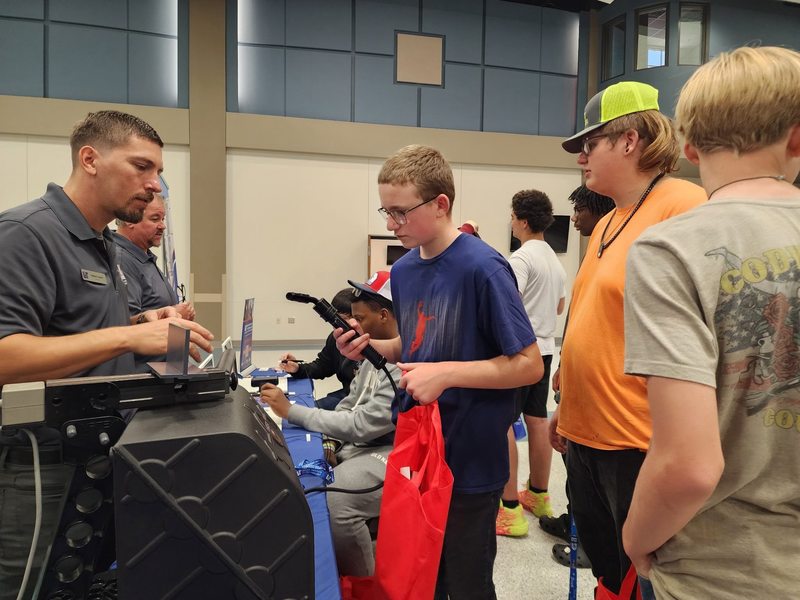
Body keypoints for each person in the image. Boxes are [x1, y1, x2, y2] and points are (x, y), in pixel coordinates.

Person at [0, 110, 213, 599]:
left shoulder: (105, 246)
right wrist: (127, 338)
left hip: (98, 458)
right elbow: (6, 355)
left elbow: (76, 332)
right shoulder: (26, 234)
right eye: (141, 167)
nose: (153, 184)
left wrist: (142, 323)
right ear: (90, 159)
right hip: (41, 468)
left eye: (157, 172)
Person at [622, 46, 800, 600]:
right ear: (797, 138)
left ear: (690, 147)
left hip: (723, 570)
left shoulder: (671, 249)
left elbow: (690, 465)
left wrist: (635, 537)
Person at [336, 144, 543, 599]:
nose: (391, 224)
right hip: (419, 451)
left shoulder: (484, 267)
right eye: (385, 212)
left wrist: (446, 374)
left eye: (400, 212)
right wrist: (370, 347)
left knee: (467, 583)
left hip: (469, 459)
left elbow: (528, 365)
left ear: (441, 204)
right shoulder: (405, 270)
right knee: (424, 578)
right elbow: (415, 346)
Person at [550, 81, 706, 596]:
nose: (581, 160)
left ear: (629, 140)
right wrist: (567, 403)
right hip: (587, 434)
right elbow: (595, 318)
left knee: (646, 576)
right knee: (609, 571)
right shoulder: (608, 222)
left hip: (638, 442)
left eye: (588, 145)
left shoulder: (683, 205)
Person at [261, 272, 400, 577]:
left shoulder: (400, 365)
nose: (353, 325)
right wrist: (330, 441)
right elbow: (351, 402)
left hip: (394, 451)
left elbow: (362, 425)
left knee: (335, 503)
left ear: (385, 315)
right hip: (364, 443)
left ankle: (363, 584)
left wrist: (291, 411)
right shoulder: (372, 352)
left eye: (360, 318)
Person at [542, 184, 614, 566]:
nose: (574, 219)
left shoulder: (619, 248)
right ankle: (577, 521)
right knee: (574, 468)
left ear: (595, 209)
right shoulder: (596, 249)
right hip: (571, 377)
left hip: (598, 395)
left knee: (589, 472)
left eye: (579, 211)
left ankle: (588, 542)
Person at [496, 189, 566, 538]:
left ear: (522, 220)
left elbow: (507, 304)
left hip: (520, 351)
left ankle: (509, 511)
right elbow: (558, 307)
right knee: (537, 420)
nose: (511, 221)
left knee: (504, 423)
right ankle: (538, 495)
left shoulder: (520, 259)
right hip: (547, 348)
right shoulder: (555, 260)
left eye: (512, 216)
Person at [115, 194, 196, 369]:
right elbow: (124, 325)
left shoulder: (143, 256)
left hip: (164, 372)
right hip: (143, 377)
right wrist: (174, 314)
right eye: (155, 219)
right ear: (130, 220)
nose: (162, 226)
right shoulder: (122, 260)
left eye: (163, 218)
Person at [279, 288, 360, 410]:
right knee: (307, 410)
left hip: (359, 403)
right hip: (345, 396)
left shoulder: (371, 347)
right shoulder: (336, 339)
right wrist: (297, 368)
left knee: (307, 414)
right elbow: (322, 367)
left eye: (345, 318)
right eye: (334, 319)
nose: (337, 324)